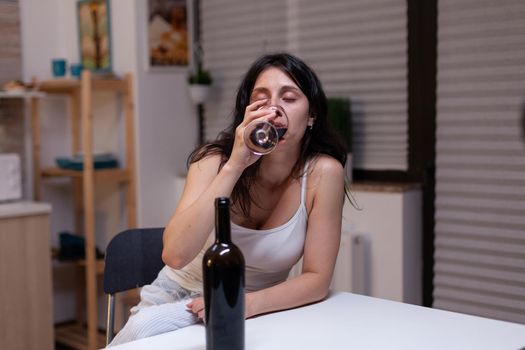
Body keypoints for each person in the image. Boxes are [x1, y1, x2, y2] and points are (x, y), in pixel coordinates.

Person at [109, 52, 348, 346]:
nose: (273, 110)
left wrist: (244, 305)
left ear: (311, 115)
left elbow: (317, 278)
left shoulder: (324, 174)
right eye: (262, 98)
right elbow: (174, 254)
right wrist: (236, 164)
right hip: (176, 298)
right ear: (248, 111)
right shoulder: (213, 161)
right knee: (142, 330)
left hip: (258, 309)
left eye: (289, 98)